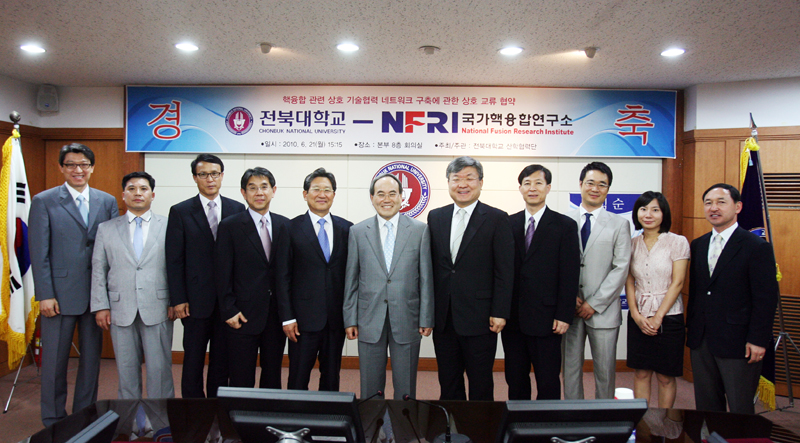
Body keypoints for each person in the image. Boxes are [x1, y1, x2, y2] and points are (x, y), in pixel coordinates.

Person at [29, 143, 119, 426]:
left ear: (92, 167)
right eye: (71, 164)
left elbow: (112, 251)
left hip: (96, 295)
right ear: (61, 168)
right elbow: (39, 253)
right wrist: (45, 294)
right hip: (59, 295)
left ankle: (84, 414)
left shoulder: (107, 201)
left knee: (91, 362)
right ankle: (53, 418)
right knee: (54, 363)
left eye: (83, 164)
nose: (78, 170)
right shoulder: (44, 201)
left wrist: (108, 296)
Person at [427, 156, 514, 401]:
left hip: (481, 318)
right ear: (448, 182)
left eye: (469, 178)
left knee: (481, 383)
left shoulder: (497, 218)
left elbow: (505, 270)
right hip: (445, 318)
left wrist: (500, 311)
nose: (462, 184)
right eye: (456, 179)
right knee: (448, 382)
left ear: (481, 182)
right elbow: (432, 268)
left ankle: (480, 425)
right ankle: (451, 424)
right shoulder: (436, 217)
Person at [686, 183, 778, 414]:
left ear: (738, 207)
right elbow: (697, 292)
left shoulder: (756, 246)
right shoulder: (698, 245)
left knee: (740, 409)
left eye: (721, 202)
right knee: (707, 407)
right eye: (708, 203)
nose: (713, 208)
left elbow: (765, 299)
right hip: (702, 340)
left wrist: (758, 340)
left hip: (739, 343)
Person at [343, 173, 434, 399]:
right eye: (380, 194)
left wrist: (426, 317)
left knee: (406, 387)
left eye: (392, 194)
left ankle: (405, 423)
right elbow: (351, 280)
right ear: (372, 198)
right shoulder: (357, 232)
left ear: (402, 197)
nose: (386, 199)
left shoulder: (420, 230)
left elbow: (426, 279)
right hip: (368, 318)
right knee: (370, 387)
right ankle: (373, 422)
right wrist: (350, 319)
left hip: (407, 317)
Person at [165, 154, 245, 398]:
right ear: (194, 178)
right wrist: (178, 299)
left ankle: (216, 406)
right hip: (195, 301)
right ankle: (193, 410)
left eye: (214, 174)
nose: (210, 179)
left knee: (222, 360)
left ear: (222, 176)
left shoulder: (237, 208)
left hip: (227, 302)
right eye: (203, 174)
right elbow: (174, 259)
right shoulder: (180, 211)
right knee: (193, 360)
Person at [91, 172, 175, 399]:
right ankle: (129, 417)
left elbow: (176, 267)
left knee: (160, 369)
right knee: (126, 369)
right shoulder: (106, 228)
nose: (138, 193)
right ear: (123, 195)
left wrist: (175, 301)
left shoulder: (168, 226)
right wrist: (100, 305)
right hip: (120, 308)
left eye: (143, 189)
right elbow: (99, 268)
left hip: (158, 307)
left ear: (152, 195)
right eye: (131, 188)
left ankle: (161, 418)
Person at [504, 164, 580, 400]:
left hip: (548, 319)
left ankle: (547, 422)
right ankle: (518, 420)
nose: (532, 188)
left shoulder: (565, 226)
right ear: (520, 188)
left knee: (547, 380)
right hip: (513, 318)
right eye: (527, 183)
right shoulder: (508, 223)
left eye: (538, 183)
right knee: (515, 379)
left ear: (548, 187)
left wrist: (564, 314)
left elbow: (570, 273)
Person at [277, 168, 352, 391]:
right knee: (298, 378)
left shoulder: (347, 229)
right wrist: (287, 318)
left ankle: (328, 414)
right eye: (316, 189)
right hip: (302, 321)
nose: (322, 194)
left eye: (327, 190)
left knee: (331, 378)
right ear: (305, 194)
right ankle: (295, 414)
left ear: (334, 195)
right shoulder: (290, 228)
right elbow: (282, 276)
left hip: (335, 320)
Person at [215, 167, 288, 389]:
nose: (259, 193)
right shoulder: (230, 226)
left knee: (272, 375)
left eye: (264, 187)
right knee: (241, 377)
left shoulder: (285, 225)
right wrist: (229, 310)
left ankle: (270, 411)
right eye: (252, 188)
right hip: (242, 315)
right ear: (243, 193)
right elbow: (222, 272)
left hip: (275, 316)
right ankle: (240, 414)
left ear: (273, 190)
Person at [564, 161, 631, 400]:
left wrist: (594, 303)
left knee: (605, 372)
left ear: (608, 189)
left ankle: (605, 414)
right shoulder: (564, 221)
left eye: (602, 184)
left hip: (603, 311)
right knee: (570, 369)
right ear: (580, 184)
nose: (595, 188)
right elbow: (556, 265)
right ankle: (572, 414)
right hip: (569, 310)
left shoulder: (620, 224)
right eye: (590, 183)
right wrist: (568, 296)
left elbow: (620, 268)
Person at [625, 191, 689, 408]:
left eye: (655, 210)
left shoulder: (677, 242)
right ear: (637, 213)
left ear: (664, 214)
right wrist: (635, 315)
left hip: (669, 317)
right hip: (639, 316)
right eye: (643, 209)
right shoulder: (631, 243)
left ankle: (664, 422)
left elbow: (678, 282)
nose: (648, 214)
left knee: (665, 376)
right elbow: (629, 281)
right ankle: (643, 422)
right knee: (641, 373)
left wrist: (658, 317)